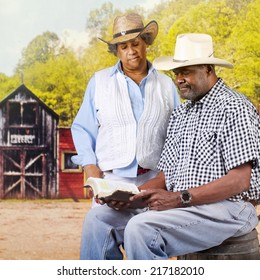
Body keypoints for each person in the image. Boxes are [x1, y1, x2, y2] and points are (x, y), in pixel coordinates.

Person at [79, 33, 260, 260]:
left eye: (186, 72)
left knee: (142, 228)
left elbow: (240, 180)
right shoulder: (181, 114)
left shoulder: (234, 107)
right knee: (98, 220)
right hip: (185, 204)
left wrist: (179, 198)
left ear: (208, 69)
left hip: (229, 208)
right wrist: (131, 196)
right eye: (176, 73)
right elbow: (166, 175)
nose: (178, 79)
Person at [71, 14, 180, 206]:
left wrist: (164, 179)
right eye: (124, 46)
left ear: (145, 43)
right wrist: (92, 171)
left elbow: (179, 135)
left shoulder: (166, 85)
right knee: (102, 229)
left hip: (154, 181)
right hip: (111, 181)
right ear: (116, 51)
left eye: (136, 43)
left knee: (147, 233)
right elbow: (82, 129)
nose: (131, 51)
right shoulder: (99, 82)